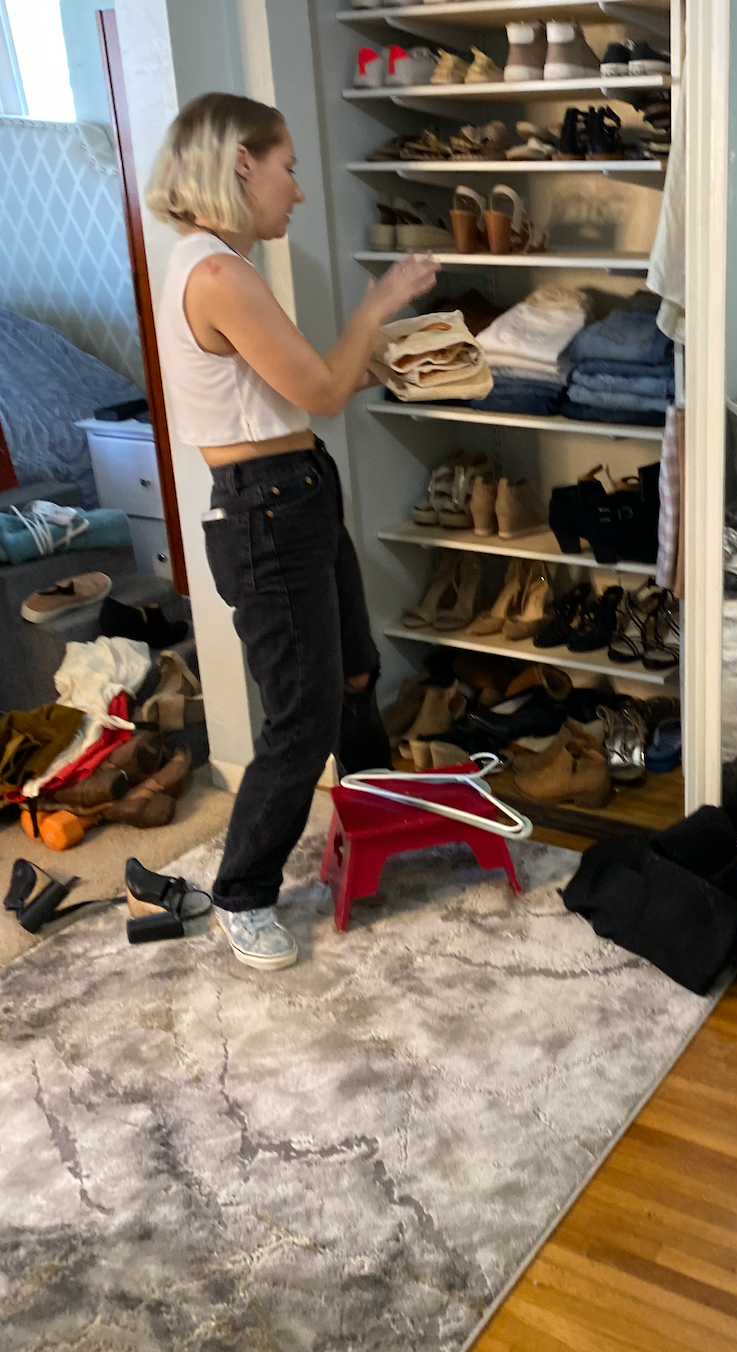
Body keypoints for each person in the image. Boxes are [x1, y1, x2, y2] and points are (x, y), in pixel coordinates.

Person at [147, 92, 438, 971]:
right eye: (289, 167)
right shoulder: (218, 275)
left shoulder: (219, 265)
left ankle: (379, 818)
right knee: (303, 715)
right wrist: (379, 301)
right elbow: (319, 390)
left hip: (296, 491)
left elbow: (296, 387)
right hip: (265, 508)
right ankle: (242, 893)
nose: (298, 192)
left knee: (353, 673)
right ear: (242, 162)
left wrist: (364, 347)